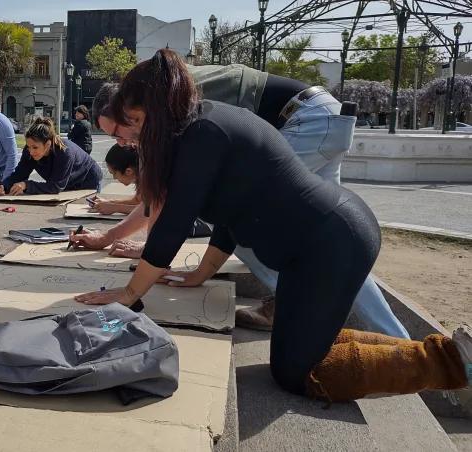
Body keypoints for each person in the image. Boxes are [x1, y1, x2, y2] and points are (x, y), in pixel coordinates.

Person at [73, 49, 471, 405]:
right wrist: (201, 273)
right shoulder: (201, 125)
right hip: (322, 242)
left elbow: (174, 223)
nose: (133, 134)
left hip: (331, 242)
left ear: (159, 108)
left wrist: (129, 292)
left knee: (297, 373)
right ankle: (443, 356)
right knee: (302, 352)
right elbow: (231, 213)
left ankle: (451, 363)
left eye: (138, 120)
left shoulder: (202, 133)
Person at [78, 72, 409, 339]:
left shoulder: (175, 104)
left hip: (306, 120)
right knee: (334, 245)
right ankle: (394, 337)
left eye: (122, 133)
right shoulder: (159, 105)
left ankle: (300, 307)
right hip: (323, 115)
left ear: (133, 110)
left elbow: (175, 201)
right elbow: (170, 198)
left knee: (259, 223)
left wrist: (141, 269)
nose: (125, 143)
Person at [0, 118, 102, 196]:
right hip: (66, 183)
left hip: (88, 180)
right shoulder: (29, 150)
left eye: (35, 147)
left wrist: (27, 185)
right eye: (29, 147)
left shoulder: (64, 153)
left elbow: (55, 186)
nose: (31, 152)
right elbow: (20, 173)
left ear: (48, 144)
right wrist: (4, 186)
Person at [89, 144, 141, 215]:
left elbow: (149, 210)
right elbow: (137, 201)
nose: (114, 178)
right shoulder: (140, 173)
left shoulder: (150, 178)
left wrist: (115, 208)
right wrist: (109, 202)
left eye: (114, 173)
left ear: (128, 171)